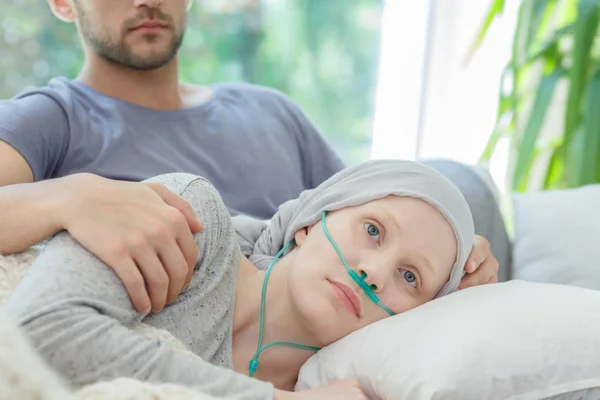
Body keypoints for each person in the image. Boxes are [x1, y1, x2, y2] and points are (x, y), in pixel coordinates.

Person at [0, 0, 499, 315]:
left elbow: (379, 230)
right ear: (62, 3)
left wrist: (451, 252)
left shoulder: (272, 110)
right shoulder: (51, 119)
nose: (146, 1)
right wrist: (68, 197)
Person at [4, 159, 475, 400]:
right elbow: (40, 329)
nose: (374, 273)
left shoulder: (349, 388)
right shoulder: (189, 219)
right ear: (311, 223)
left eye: (410, 276)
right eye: (373, 230)